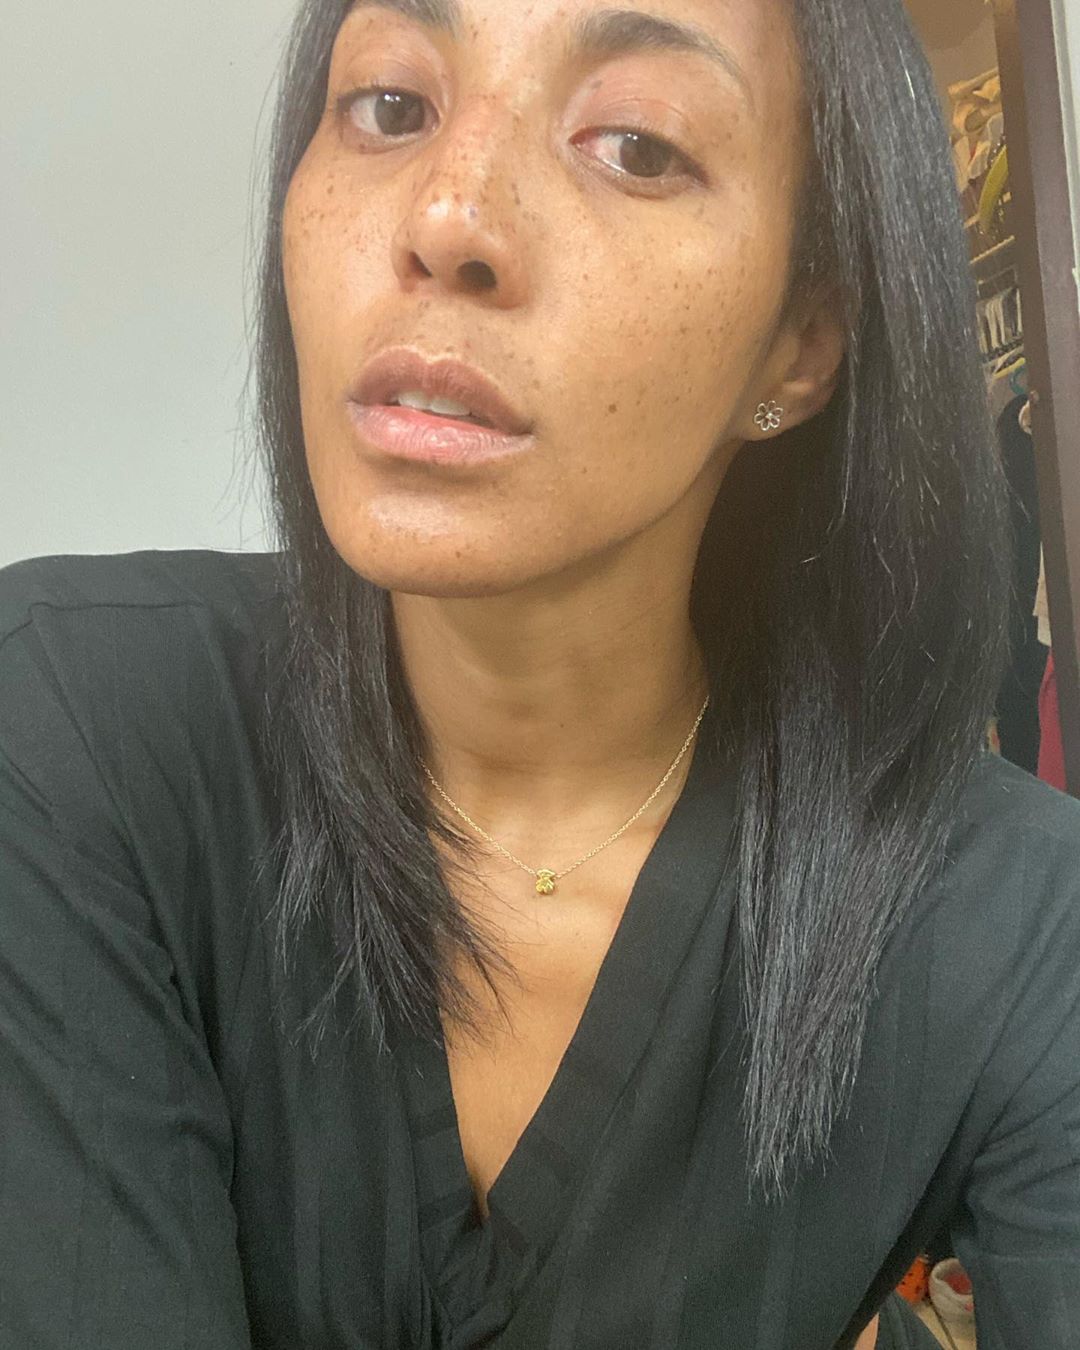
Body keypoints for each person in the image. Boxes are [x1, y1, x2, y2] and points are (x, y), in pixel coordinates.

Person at [1, 0, 1077, 1346]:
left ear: (801, 342)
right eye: (392, 106)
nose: (448, 216)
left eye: (636, 144)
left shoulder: (1014, 918)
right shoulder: (67, 730)